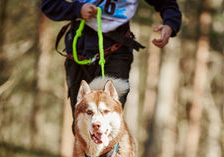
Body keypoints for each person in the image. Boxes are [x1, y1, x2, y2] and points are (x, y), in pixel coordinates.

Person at [41, 0, 182, 115]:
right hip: (79, 51)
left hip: (116, 51)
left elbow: (168, 4)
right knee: (82, 122)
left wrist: (170, 24)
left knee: (109, 119)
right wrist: (77, 9)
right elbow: (49, 4)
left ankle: (109, 149)